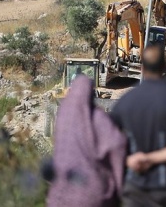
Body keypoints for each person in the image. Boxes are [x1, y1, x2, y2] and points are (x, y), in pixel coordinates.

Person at [110, 44, 166, 207]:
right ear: (165, 67)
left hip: (135, 192)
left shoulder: (125, 102)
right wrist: (150, 158)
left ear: (141, 68)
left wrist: (129, 160)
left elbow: (110, 144)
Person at [47, 76, 127, 207]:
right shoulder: (96, 117)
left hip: (60, 193)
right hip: (90, 192)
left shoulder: (63, 116)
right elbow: (116, 143)